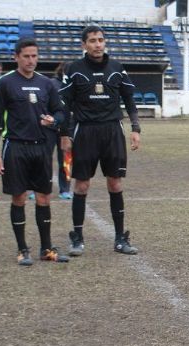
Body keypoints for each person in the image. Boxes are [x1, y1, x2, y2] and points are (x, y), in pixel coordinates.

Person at [59, 25, 142, 257]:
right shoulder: (74, 69)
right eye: (93, 40)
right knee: (82, 185)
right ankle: (77, 238)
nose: (97, 44)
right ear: (83, 45)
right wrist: (64, 133)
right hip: (85, 131)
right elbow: (63, 103)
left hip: (112, 131)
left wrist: (135, 128)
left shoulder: (117, 68)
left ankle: (119, 238)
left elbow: (129, 99)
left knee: (115, 183)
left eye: (101, 40)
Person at [0, 38, 70, 265]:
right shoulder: (5, 83)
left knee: (44, 197)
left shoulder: (46, 84)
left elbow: (61, 112)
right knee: (19, 198)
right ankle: (22, 249)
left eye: (34, 56)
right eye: (26, 56)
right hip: (15, 147)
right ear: (16, 57)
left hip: (41, 148)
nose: (31, 60)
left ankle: (46, 249)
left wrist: (54, 121)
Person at [50, 62, 72, 199]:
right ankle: (38, 188)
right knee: (44, 159)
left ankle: (65, 189)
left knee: (65, 159)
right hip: (50, 128)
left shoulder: (73, 85)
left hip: (66, 129)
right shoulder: (51, 84)